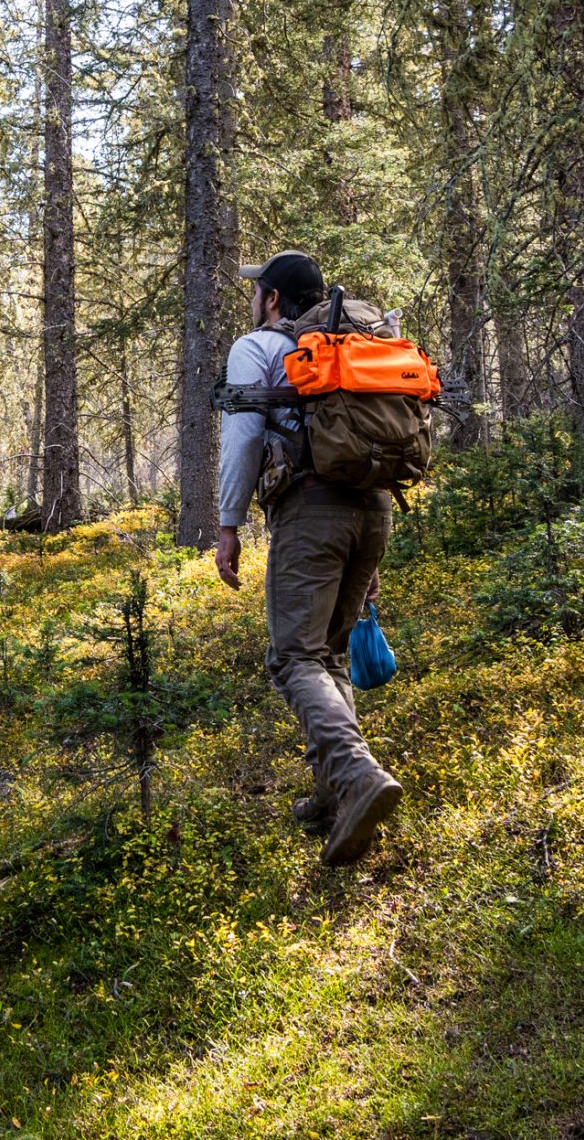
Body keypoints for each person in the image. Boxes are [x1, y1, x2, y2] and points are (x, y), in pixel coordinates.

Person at [215, 249, 404, 866]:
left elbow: (244, 437)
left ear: (272, 299)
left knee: (294, 657)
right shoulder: (356, 343)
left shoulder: (259, 347)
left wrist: (228, 523)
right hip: (374, 506)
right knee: (331, 655)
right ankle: (333, 793)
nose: (253, 300)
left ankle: (355, 778)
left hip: (311, 509)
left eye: (257, 291)